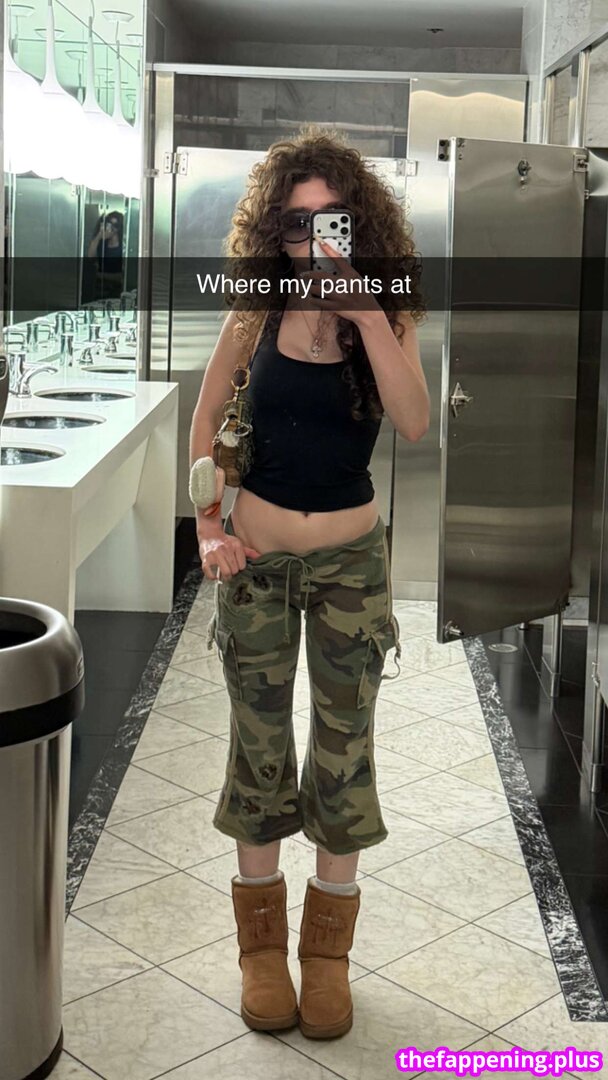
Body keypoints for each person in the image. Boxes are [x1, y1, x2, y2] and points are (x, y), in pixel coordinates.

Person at [189, 125, 430, 1040]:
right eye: (295, 222)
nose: (311, 236)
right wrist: (207, 524)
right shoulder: (254, 312)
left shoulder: (389, 313)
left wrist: (365, 314)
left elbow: (414, 422)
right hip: (256, 565)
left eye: (331, 219)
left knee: (343, 748)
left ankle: (326, 958)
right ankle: (261, 955)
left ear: (359, 224)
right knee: (258, 746)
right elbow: (206, 422)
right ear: (273, 231)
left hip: (349, 568)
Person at [86, 211, 124, 299]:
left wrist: (99, 275)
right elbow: (90, 256)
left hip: (116, 290)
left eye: (114, 226)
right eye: (108, 224)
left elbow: (121, 276)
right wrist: (99, 235)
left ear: (118, 229)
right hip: (98, 289)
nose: (109, 228)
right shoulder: (102, 244)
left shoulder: (122, 248)